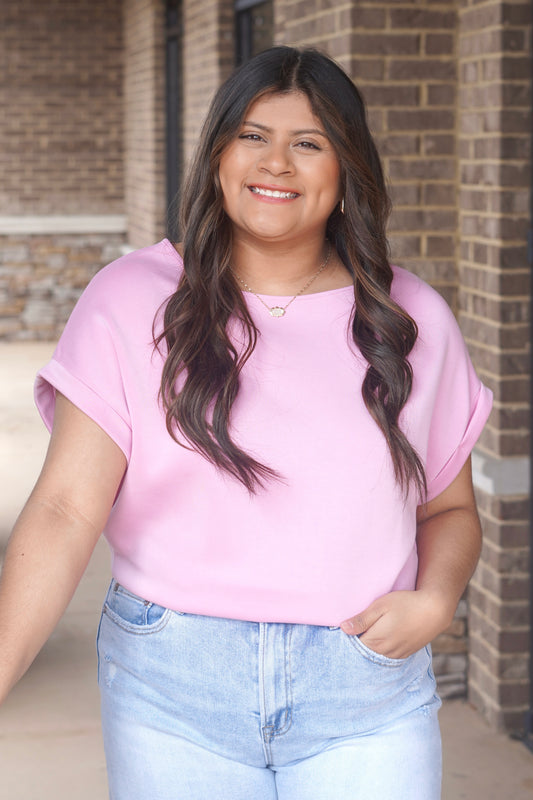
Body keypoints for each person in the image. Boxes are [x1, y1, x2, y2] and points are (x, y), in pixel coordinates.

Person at [0, 46, 492, 799]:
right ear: (219, 153)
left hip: (363, 692)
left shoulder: (409, 318)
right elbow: (66, 508)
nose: (277, 164)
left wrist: (436, 599)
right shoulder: (131, 299)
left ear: (345, 167)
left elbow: (450, 509)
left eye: (308, 142)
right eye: (253, 136)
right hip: (173, 689)